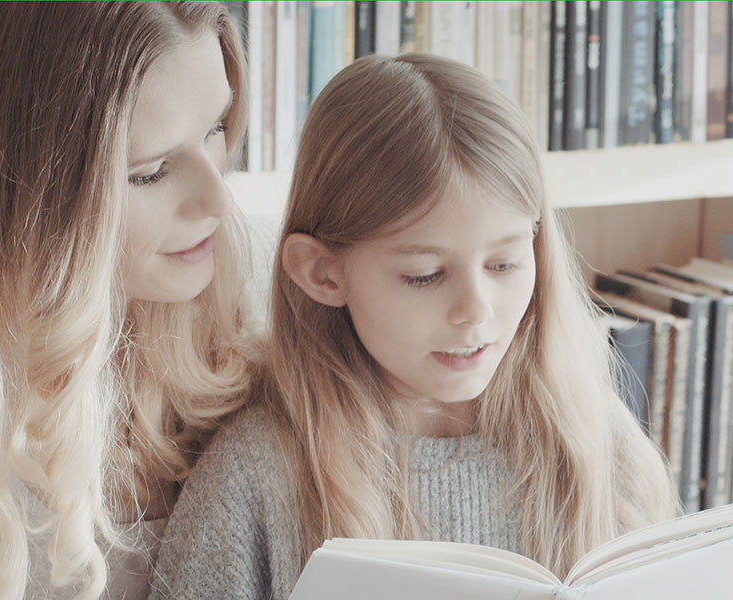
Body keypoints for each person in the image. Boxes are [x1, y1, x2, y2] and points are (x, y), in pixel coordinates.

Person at [152, 53, 680, 600]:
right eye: (425, 276)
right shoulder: (258, 475)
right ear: (323, 274)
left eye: (504, 264)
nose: (476, 310)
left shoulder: (598, 443)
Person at [0, 2, 255, 598]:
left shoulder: (240, 359)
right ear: (22, 197)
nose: (218, 200)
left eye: (216, 128)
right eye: (151, 172)